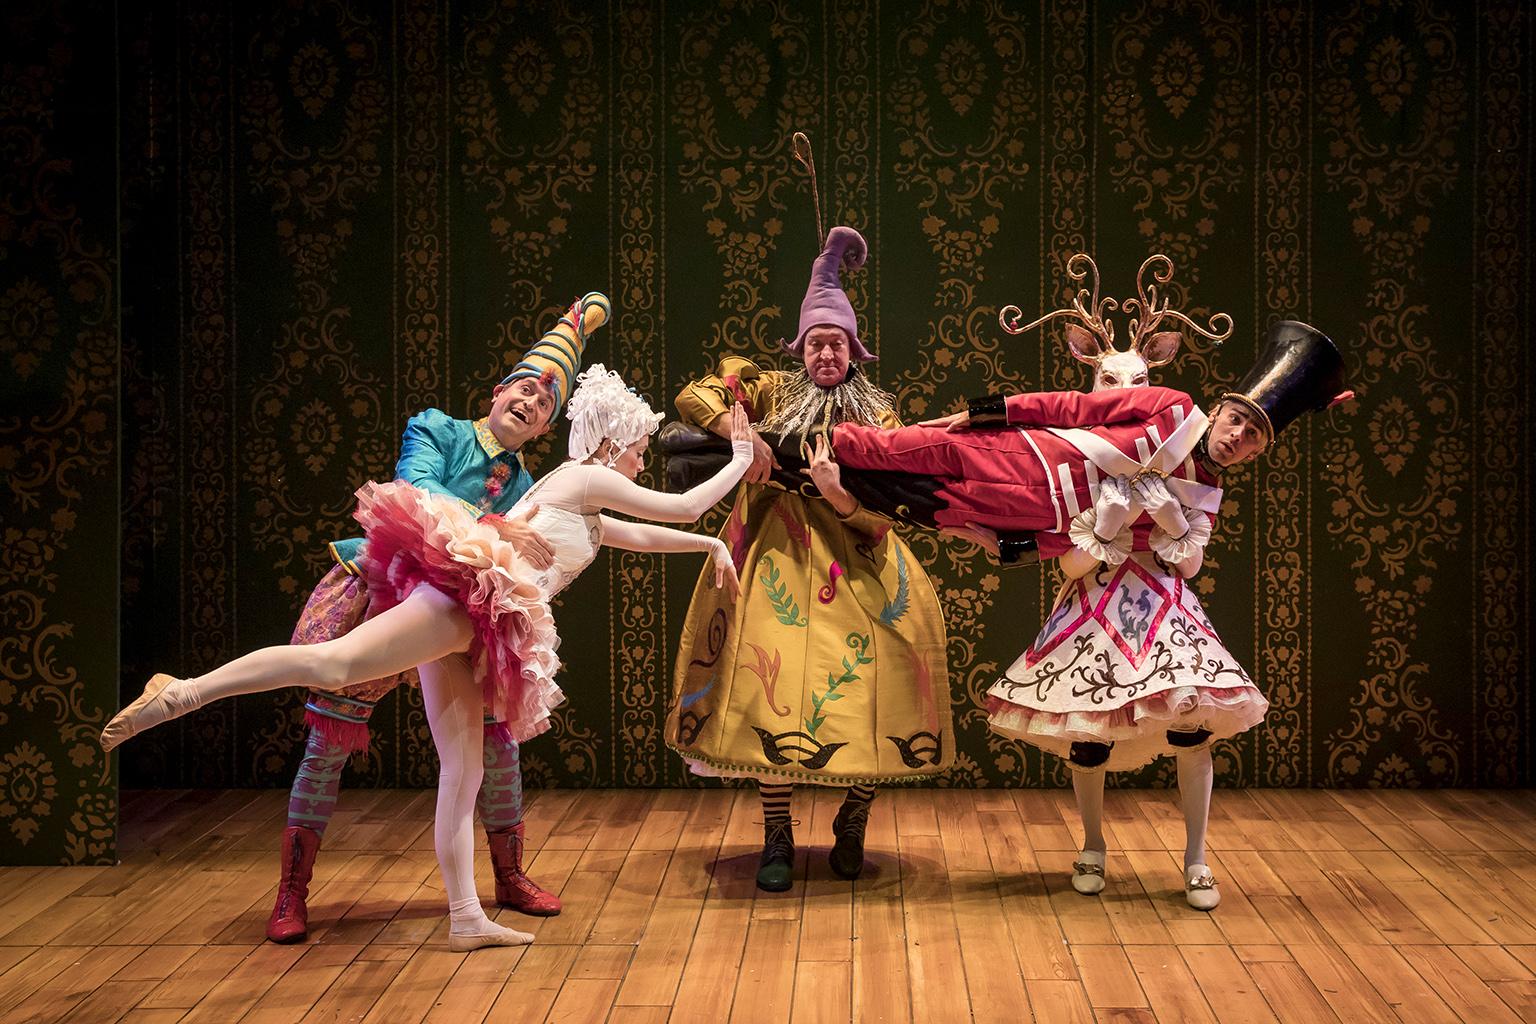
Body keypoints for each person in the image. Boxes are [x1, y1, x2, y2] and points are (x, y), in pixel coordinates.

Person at [103, 364, 757, 951]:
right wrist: (740, 455)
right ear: (613, 444)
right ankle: (181, 690)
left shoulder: (584, 503)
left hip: (482, 626)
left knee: (464, 769)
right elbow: (686, 504)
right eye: (640, 451)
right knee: (334, 665)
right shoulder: (586, 477)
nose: (642, 463)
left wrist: (709, 549)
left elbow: (643, 533)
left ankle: (467, 916)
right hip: (468, 601)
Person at [828, 319, 1353, 909]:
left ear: (1258, 452)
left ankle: (1196, 858)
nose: (1239, 436)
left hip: (1155, 609)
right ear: (1222, 408)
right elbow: (1075, 415)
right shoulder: (1171, 409)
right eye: (1238, 420)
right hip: (1064, 532)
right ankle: (1093, 846)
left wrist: (1171, 526)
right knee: (1089, 736)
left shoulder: (1208, 495)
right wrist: (985, 414)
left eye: (1255, 436)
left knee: (1191, 729)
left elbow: (1179, 565)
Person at [260, 295, 599, 943]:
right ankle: (291, 892)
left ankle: (508, 874)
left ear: (540, 431)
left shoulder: (528, 479)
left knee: (496, 743)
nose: (530, 403)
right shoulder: (437, 429)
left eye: (543, 406)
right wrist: (494, 524)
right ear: (498, 393)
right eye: (524, 390)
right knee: (332, 734)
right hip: (394, 590)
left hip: (468, 612)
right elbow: (414, 491)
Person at [663, 225, 950, 893]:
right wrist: (744, 438)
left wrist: (839, 498)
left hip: (860, 570)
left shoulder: (880, 416)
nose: (827, 352)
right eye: (817, 342)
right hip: (775, 568)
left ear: (855, 352)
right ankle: (777, 833)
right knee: (773, 700)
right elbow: (692, 398)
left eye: (838, 343)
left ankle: (853, 821)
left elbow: (891, 509)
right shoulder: (768, 392)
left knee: (876, 693)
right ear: (801, 348)